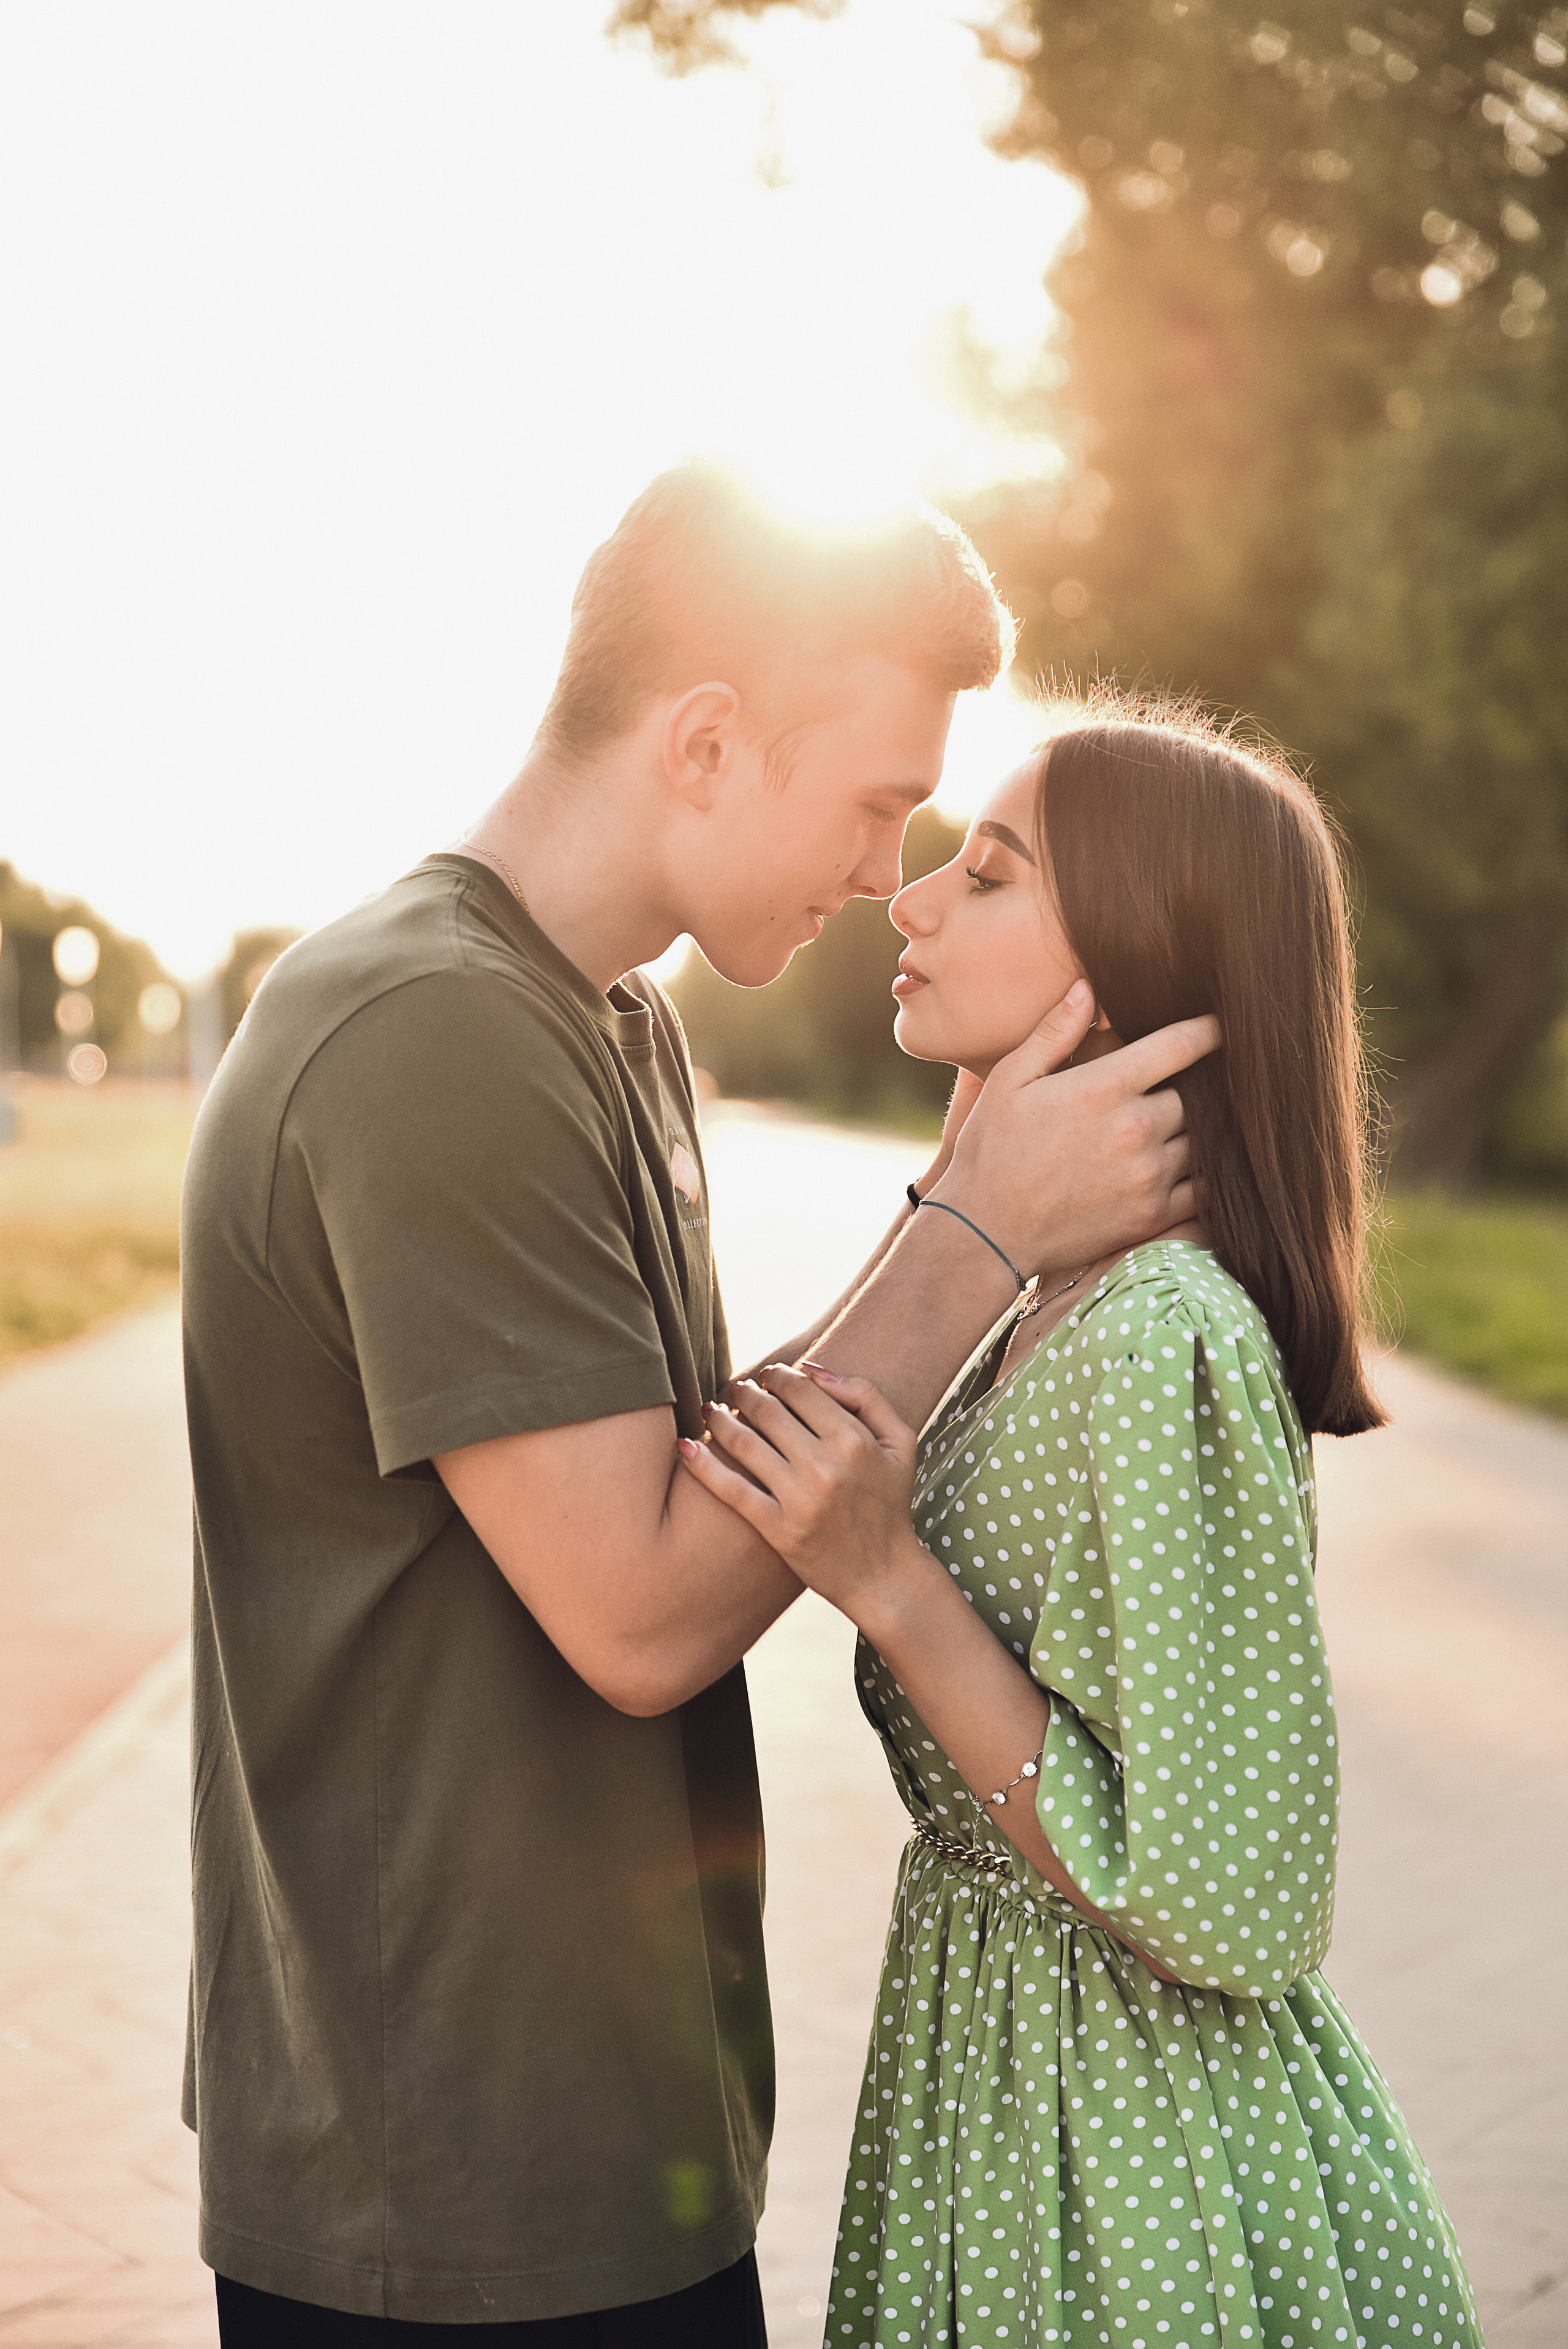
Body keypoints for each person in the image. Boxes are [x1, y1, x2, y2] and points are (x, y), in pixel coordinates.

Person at [179, 471, 1220, 2344]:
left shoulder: (603, 1017)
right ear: (711, 741)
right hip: (449, 2186)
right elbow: (645, 1611)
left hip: (599, 2141)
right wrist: (981, 1232)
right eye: (879, 800)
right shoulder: (431, 1029)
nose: (887, 871)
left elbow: (718, 1463)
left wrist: (954, 1202)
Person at [682, 708, 1483, 2349]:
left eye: (986, 875)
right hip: (1005, 2067)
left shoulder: (1159, 1333)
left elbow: (1228, 1893)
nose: (910, 898)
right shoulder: (1045, 1294)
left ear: (1124, 971)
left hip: (1126, 2136)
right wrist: (958, 1198)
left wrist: (889, 1578)